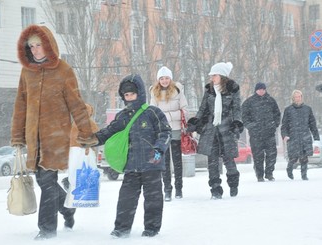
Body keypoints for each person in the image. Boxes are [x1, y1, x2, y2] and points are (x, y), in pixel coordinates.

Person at [11, 24, 98, 240]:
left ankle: (47, 230)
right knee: (44, 181)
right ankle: (67, 209)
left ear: (49, 44)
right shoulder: (27, 72)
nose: (35, 50)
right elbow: (20, 105)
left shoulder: (63, 70)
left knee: (48, 183)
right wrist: (17, 137)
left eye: (39, 45)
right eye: (31, 46)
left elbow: (76, 104)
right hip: (34, 139)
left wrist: (86, 133)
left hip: (55, 137)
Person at [95, 74, 171, 238]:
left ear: (140, 93)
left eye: (132, 94)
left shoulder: (153, 112)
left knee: (153, 199)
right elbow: (109, 131)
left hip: (152, 164)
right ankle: (121, 228)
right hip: (131, 166)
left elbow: (165, 132)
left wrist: (159, 149)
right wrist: (93, 139)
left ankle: (151, 229)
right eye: (126, 95)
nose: (129, 98)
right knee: (126, 199)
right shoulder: (123, 116)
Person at [187, 62, 243, 199]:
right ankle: (215, 189)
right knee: (212, 161)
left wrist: (236, 123)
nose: (212, 78)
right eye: (211, 75)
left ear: (222, 76)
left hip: (226, 127)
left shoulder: (233, 89)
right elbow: (203, 108)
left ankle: (233, 183)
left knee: (229, 160)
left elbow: (236, 108)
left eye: (215, 75)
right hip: (211, 129)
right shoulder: (209, 90)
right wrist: (196, 121)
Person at [149, 66, 188, 201]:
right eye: (161, 78)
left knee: (177, 161)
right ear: (158, 80)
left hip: (176, 130)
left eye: (166, 78)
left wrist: (167, 116)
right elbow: (153, 113)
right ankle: (167, 189)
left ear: (170, 79)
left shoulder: (178, 91)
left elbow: (184, 111)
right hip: (161, 132)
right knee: (164, 162)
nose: (164, 81)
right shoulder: (154, 93)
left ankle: (178, 188)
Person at [241, 82, 281, 182]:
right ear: (256, 90)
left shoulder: (271, 101)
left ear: (265, 90)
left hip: (269, 133)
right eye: (259, 89)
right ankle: (259, 175)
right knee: (258, 156)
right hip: (256, 134)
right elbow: (244, 116)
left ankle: (269, 174)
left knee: (271, 154)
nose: (261, 91)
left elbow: (277, 114)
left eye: (263, 89)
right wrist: (251, 126)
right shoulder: (249, 102)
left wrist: (274, 124)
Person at [281, 89, 319, 181]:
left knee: (304, 157)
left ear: (301, 97)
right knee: (293, 157)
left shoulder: (307, 109)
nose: (297, 98)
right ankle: (289, 168)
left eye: (299, 96)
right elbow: (284, 125)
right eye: (295, 97)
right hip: (293, 137)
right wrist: (284, 135)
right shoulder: (288, 110)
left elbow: (312, 124)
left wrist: (316, 137)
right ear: (293, 98)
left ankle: (304, 175)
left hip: (305, 136)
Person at [62, 103, 99, 191]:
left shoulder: (74, 123)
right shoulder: (89, 123)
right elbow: (97, 137)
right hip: (82, 150)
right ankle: (81, 192)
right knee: (81, 172)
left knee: (75, 172)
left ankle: (74, 191)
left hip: (76, 150)